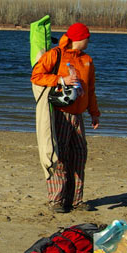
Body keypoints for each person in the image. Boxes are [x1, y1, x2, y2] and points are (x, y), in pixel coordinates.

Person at [30, 21, 100, 213]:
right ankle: (57, 200)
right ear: (79, 38)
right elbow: (36, 76)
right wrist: (61, 80)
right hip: (59, 114)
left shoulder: (88, 60)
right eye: (87, 37)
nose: (89, 40)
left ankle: (76, 200)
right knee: (58, 156)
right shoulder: (55, 55)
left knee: (79, 155)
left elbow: (91, 90)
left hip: (78, 116)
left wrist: (94, 113)